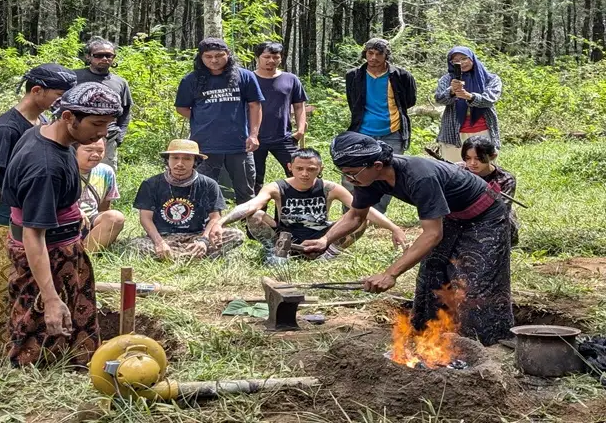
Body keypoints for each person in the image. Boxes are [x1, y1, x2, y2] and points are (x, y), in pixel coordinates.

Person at [302, 132, 513, 346]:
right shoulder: (367, 179)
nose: (349, 179)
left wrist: (390, 274)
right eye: (344, 173)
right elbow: (356, 215)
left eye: (352, 173)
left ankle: (484, 343)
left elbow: (432, 234)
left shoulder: (421, 177)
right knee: (432, 272)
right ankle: (431, 336)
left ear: (376, 165)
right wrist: (325, 240)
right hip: (451, 214)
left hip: (486, 214)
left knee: (475, 280)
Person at [1, 82, 122, 366]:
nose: (102, 133)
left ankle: (78, 366)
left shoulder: (48, 136)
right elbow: (33, 234)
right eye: (96, 123)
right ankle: (32, 387)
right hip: (46, 255)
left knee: (74, 323)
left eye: (108, 124)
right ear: (68, 117)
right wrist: (50, 297)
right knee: (40, 325)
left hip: (65, 248)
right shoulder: (44, 166)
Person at [0, 63, 77, 356]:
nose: (64, 100)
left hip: (32, 216)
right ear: (37, 91)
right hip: (7, 218)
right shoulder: (7, 128)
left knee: (23, 291)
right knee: (0, 293)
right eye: (60, 94)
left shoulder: (40, 120)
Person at [209, 148, 408, 259]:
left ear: (319, 169)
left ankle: (330, 253)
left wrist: (394, 227)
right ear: (290, 167)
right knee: (256, 216)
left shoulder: (329, 188)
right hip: (285, 239)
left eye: (311, 169)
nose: (305, 173)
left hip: (322, 237)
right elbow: (252, 205)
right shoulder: (276, 187)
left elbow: (365, 210)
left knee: (360, 219)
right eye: (300, 168)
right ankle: (275, 252)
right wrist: (221, 222)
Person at [175, 37, 264, 204]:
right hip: (203, 144)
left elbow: (255, 106)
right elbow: (182, 107)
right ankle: (204, 225)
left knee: (245, 190)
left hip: (239, 144)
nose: (214, 60)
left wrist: (254, 134)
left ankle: (247, 226)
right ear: (200, 57)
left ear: (228, 55)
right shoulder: (191, 80)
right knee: (200, 189)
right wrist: (203, 118)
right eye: (208, 56)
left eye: (219, 55)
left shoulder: (244, 76)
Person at [129, 139, 245, 261]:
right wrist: (160, 243)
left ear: (195, 161)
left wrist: (204, 240)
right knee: (134, 245)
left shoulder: (208, 184)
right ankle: (190, 257)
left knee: (236, 235)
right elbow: (145, 218)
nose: (180, 163)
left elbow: (215, 217)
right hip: (164, 236)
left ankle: (178, 256)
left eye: (187, 159)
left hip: (197, 235)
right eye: (175, 158)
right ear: (167, 160)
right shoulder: (151, 184)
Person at [344, 38, 416, 214]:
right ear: (365, 54)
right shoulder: (354, 75)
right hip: (362, 131)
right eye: (370, 53)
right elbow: (353, 102)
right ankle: (350, 213)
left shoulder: (401, 76)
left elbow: (409, 101)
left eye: (378, 54)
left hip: (392, 131)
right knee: (353, 171)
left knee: (388, 173)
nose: (374, 58)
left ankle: (377, 214)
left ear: (386, 55)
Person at [252, 41, 308, 195]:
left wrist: (301, 129)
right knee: (254, 178)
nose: (271, 61)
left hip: (284, 137)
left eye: (275, 57)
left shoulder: (290, 79)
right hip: (254, 138)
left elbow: (299, 105)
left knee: (298, 171)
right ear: (258, 57)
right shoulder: (248, 78)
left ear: (281, 58)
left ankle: (295, 207)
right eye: (267, 57)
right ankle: (256, 214)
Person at [435, 46, 503, 162]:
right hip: (453, 134)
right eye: (455, 61)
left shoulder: (490, 79)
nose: (460, 63)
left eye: (464, 58)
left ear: (472, 58)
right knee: (454, 170)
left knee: (482, 168)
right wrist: (451, 91)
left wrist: (469, 96)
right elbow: (439, 99)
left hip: (483, 130)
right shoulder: (447, 80)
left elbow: (490, 99)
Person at [74, 37, 133, 169]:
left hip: (108, 136)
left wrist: (120, 137)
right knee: (74, 172)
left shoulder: (120, 83)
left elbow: (126, 111)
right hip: (78, 135)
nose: (105, 59)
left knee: (104, 174)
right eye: (99, 55)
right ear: (88, 57)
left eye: (109, 55)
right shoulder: (75, 77)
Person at [460, 136, 519, 245]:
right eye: (467, 158)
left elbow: (501, 210)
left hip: (493, 219)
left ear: (492, 156)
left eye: (478, 158)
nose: (472, 163)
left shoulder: (505, 179)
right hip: (461, 217)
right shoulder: (458, 171)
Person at [77, 138, 125, 252]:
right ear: (74, 150)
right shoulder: (62, 169)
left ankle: (85, 255)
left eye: (100, 151)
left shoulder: (106, 172)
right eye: (88, 150)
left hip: (91, 221)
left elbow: (105, 206)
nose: (95, 155)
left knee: (116, 217)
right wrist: (75, 211)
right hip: (65, 221)